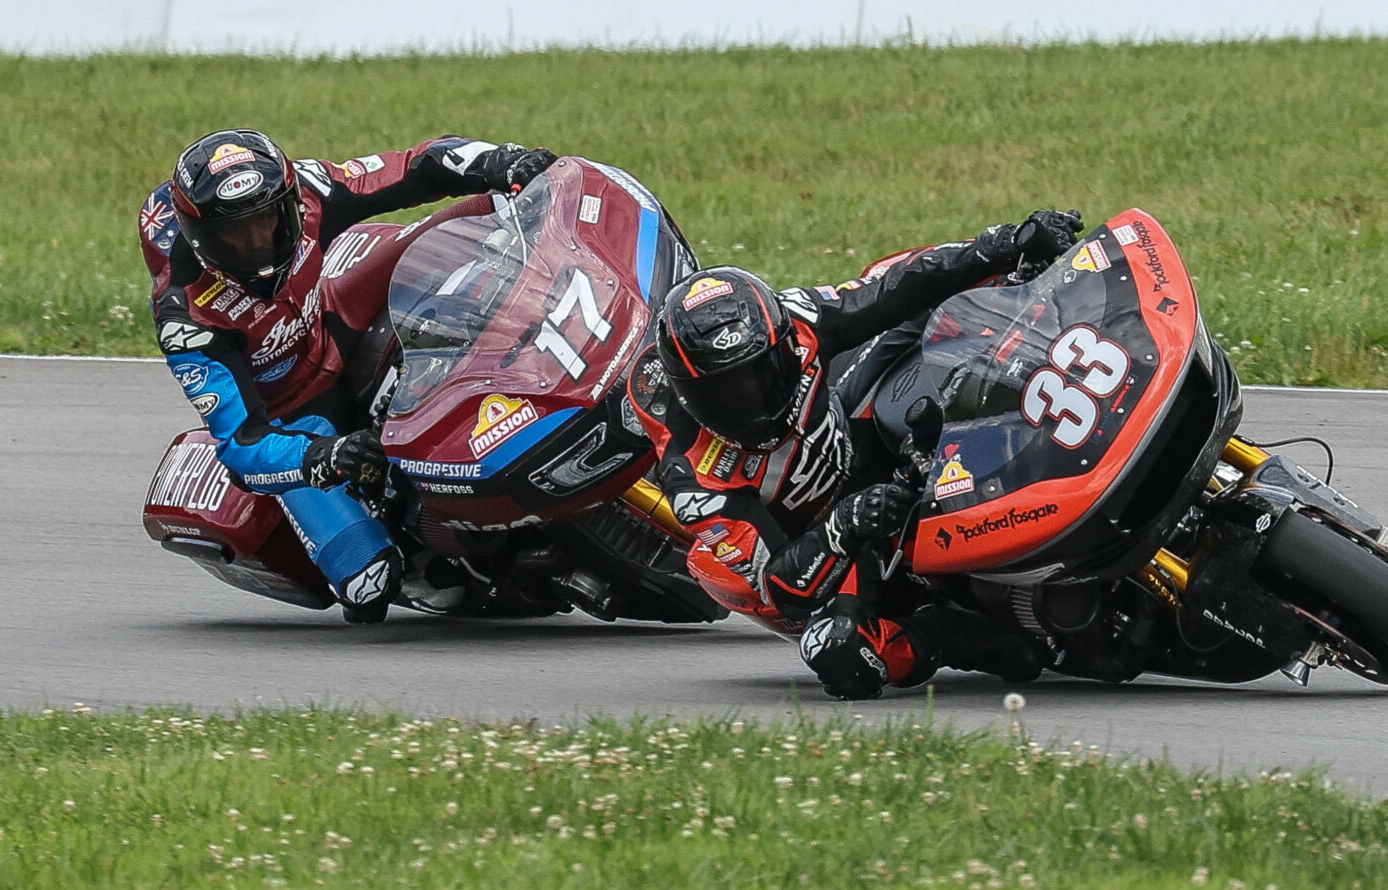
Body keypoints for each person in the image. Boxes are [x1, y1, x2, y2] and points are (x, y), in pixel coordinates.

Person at [628, 210, 1083, 698]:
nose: (753, 399)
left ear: (781, 345)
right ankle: (949, 635)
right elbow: (781, 587)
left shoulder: (796, 321)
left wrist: (1004, 245)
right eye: (728, 392)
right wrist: (842, 527)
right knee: (840, 651)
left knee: (930, 305)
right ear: (689, 396)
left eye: (762, 373)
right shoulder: (694, 477)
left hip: (851, 436)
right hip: (827, 545)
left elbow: (892, 287)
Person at [138, 128, 555, 621]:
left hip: (335, 321)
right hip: (295, 417)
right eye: (235, 234)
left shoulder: (310, 190)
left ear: (287, 203)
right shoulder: (188, 316)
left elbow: (414, 166)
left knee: (477, 217)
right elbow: (242, 444)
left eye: (268, 221)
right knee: (368, 581)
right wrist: (324, 455)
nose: (258, 243)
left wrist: (499, 163)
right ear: (200, 238)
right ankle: (411, 545)